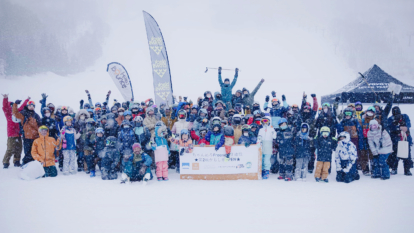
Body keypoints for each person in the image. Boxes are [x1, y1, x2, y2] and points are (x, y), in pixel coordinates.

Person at [337, 107, 366, 174]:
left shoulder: (355, 122)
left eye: (349, 113)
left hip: (354, 140)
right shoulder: (343, 122)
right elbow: (339, 133)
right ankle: (345, 169)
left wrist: (360, 143)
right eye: (346, 113)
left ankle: (354, 169)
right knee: (345, 155)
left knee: (353, 155)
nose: (348, 115)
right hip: (345, 141)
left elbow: (360, 133)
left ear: (352, 114)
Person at [2, 94, 29, 168]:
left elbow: (22, 106)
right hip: (11, 134)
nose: (11, 106)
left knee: (19, 148)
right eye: (10, 105)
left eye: (13, 105)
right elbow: (4, 107)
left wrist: (27, 100)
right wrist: (5, 98)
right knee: (10, 149)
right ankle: (6, 162)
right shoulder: (8, 114)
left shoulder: (17, 112)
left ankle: (17, 161)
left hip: (18, 134)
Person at [13, 99, 41, 165]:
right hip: (27, 137)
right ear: (27, 106)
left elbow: (40, 126)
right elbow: (15, 113)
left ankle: (34, 163)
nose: (31, 107)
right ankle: (26, 163)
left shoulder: (36, 115)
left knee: (35, 151)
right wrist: (15, 104)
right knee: (27, 151)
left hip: (35, 137)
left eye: (33, 106)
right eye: (30, 105)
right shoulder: (23, 114)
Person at [387, 106, 412, 175]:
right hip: (395, 139)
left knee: (407, 155)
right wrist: (399, 127)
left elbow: (408, 125)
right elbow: (390, 127)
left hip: (406, 139)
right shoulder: (390, 119)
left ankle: (407, 170)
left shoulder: (405, 116)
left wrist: (403, 127)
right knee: (394, 155)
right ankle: (394, 169)